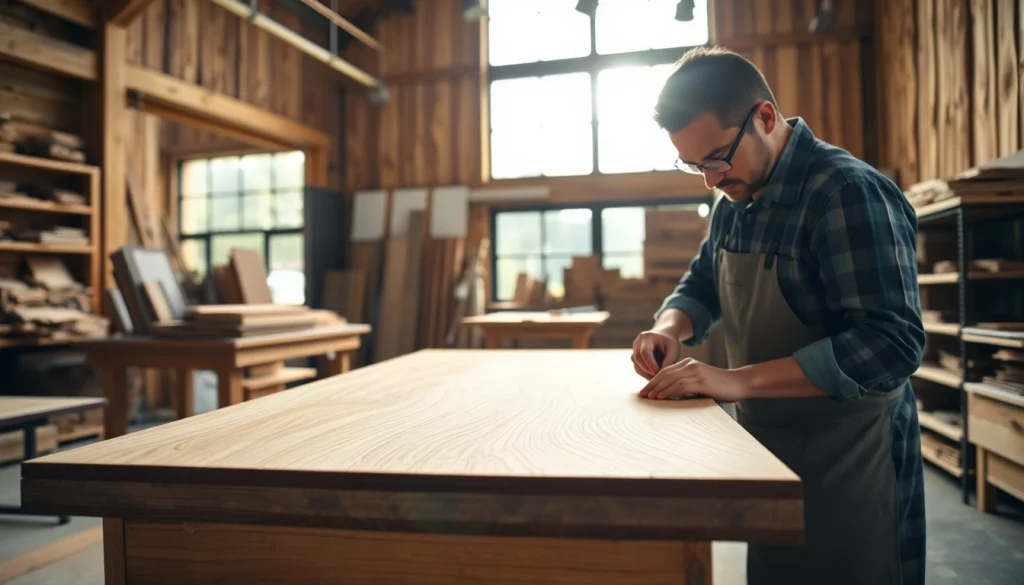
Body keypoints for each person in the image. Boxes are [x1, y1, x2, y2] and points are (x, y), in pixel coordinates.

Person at [630, 46, 926, 585]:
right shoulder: (733, 203)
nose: (710, 180)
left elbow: (892, 343)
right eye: (695, 165)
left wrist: (734, 380)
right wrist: (669, 327)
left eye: (719, 156)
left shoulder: (846, 193)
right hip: (768, 452)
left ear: (765, 117)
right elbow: (702, 283)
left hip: (851, 460)